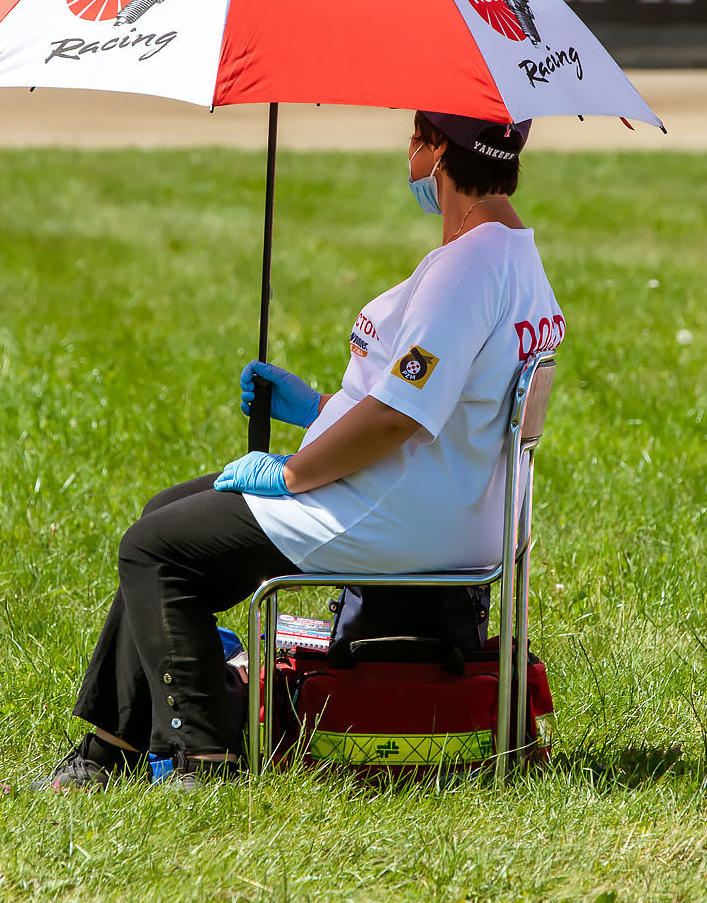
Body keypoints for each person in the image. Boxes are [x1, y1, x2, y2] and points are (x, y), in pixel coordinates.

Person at [46, 111, 564, 791]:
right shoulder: (514, 254)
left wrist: (292, 472)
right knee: (165, 513)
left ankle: (200, 758)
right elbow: (441, 409)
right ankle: (108, 747)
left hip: (398, 511)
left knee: (155, 551)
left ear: (439, 149)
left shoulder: (467, 269)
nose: (410, 151)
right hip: (446, 503)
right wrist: (318, 407)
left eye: (417, 135)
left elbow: (396, 419)